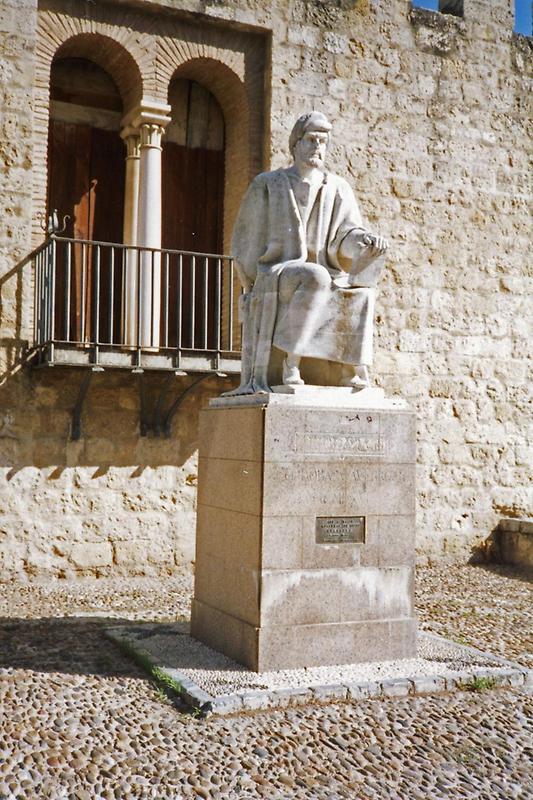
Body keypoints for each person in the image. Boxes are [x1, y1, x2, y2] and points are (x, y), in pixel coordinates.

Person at [228, 111, 388, 395]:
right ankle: (291, 362)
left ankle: (351, 374)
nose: (317, 147)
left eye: (323, 142)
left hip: (327, 271)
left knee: (362, 293)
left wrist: (366, 241)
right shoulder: (268, 184)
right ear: (296, 143)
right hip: (279, 271)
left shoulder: (338, 188)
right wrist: (252, 282)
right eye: (311, 140)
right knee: (316, 277)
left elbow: (346, 235)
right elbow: (245, 238)